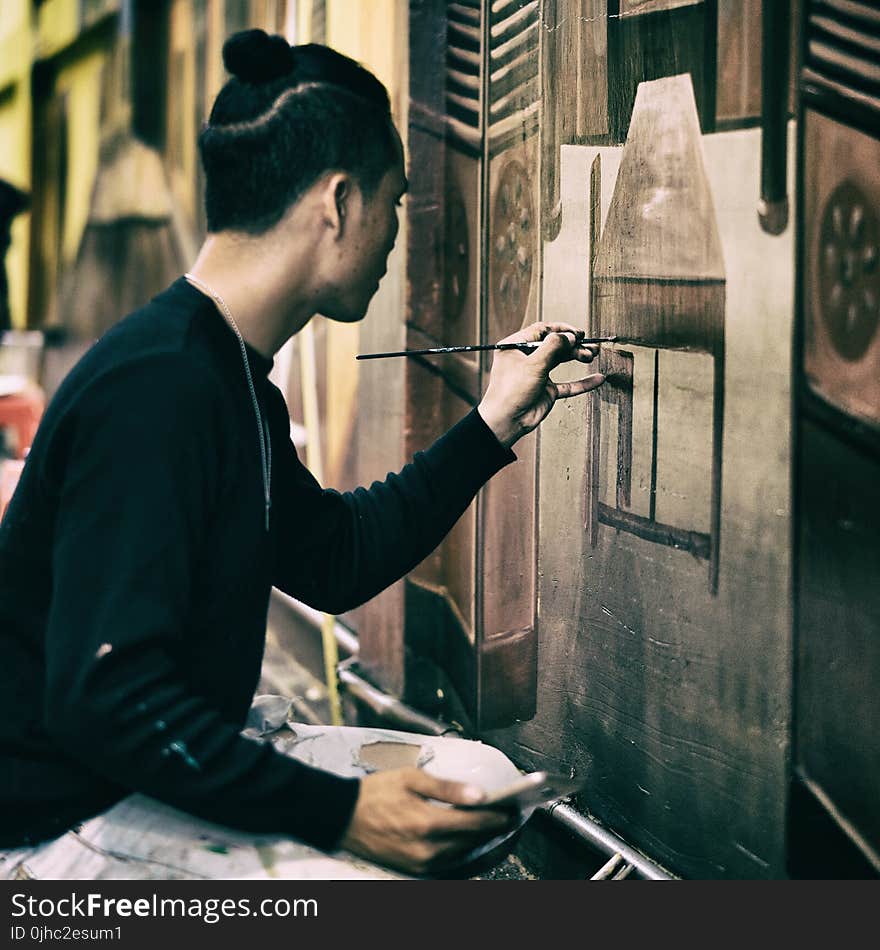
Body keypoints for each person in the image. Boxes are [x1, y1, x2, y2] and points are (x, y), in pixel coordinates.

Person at [0, 29, 605, 876]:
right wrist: (344, 816)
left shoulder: (224, 371)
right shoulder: (159, 388)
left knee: (478, 782)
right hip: (63, 822)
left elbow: (332, 558)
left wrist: (492, 422)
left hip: (135, 771)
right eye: (393, 201)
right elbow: (102, 699)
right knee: (384, 867)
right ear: (337, 203)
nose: (396, 231)